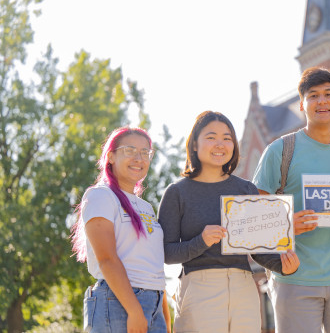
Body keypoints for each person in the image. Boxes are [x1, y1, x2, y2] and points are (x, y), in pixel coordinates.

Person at [252, 67, 330, 333]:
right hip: (295, 278)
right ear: (302, 104)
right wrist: (288, 223)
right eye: (313, 95)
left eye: (328, 94)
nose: (321, 101)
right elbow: (252, 220)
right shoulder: (280, 151)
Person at [158, 111, 300, 333]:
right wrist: (201, 241)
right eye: (211, 136)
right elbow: (166, 253)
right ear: (194, 144)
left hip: (243, 284)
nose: (220, 144)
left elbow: (258, 250)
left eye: (227, 138)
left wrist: (283, 265)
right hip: (199, 286)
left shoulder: (246, 189)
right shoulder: (177, 192)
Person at [71, 127, 171, 333]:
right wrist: (135, 311)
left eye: (145, 152)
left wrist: (164, 315)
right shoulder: (100, 196)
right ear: (111, 157)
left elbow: (152, 266)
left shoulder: (146, 207)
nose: (139, 158)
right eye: (130, 150)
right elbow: (107, 259)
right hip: (118, 301)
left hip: (154, 303)